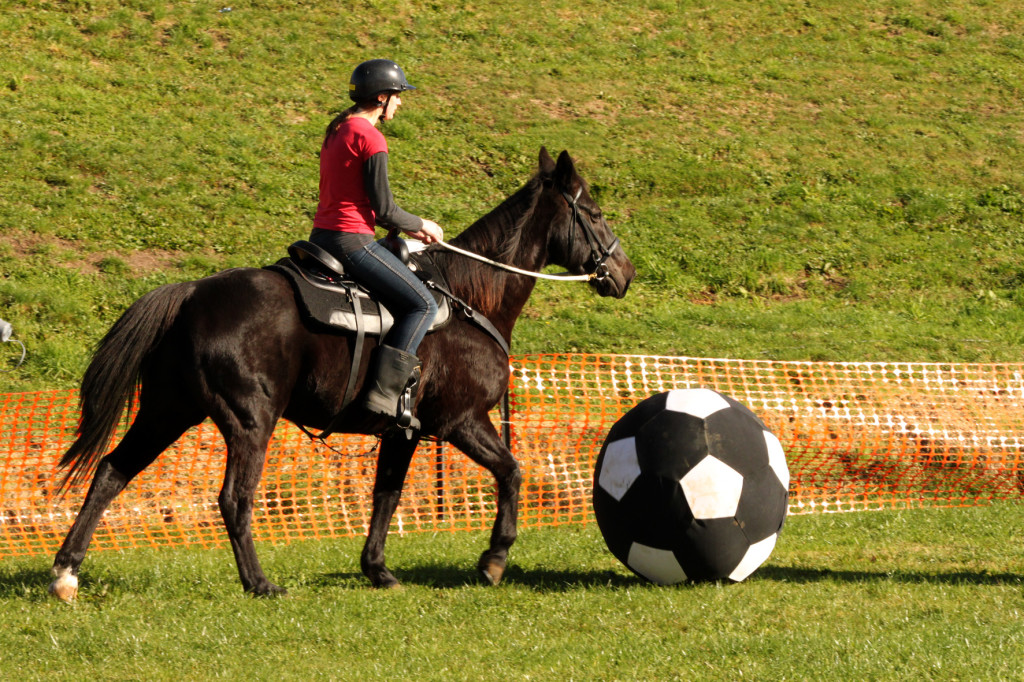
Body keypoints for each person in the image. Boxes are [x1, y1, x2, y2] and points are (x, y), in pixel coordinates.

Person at [309, 58, 442, 429]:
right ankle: (383, 399)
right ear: (381, 97)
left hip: (321, 237)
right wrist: (421, 226)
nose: (400, 103)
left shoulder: (337, 129)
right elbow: (383, 209)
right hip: (352, 242)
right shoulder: (370, 137)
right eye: (397, 96)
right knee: (422, 304)